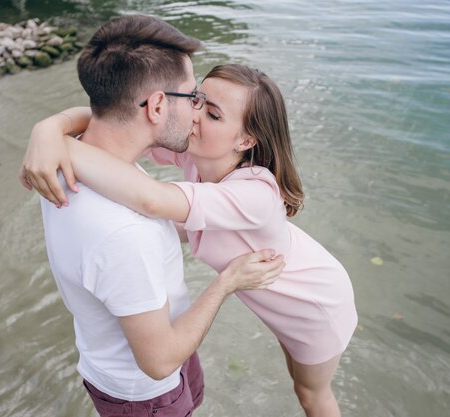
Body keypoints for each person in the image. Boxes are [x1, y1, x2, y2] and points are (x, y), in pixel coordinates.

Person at [23, 64, 357, 417]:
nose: (193, 115)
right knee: (297, 377)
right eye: (197, 99)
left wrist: (58, 147)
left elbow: (150, 198)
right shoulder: (195, 155)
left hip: (313, 304)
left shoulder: (256, 192)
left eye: (212, 114)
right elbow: (120, 122)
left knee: (310, 394)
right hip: (275, 298)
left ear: (245, 140)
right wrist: (48, 129)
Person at [19, 16, 285, 417]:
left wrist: (47, 127)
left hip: (131, 349)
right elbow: (159, 362)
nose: (196, 109)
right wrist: (227, 281)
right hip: (144, 392)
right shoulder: (123, 233)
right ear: (158, 105)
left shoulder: (69, 155)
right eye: (192, 96)